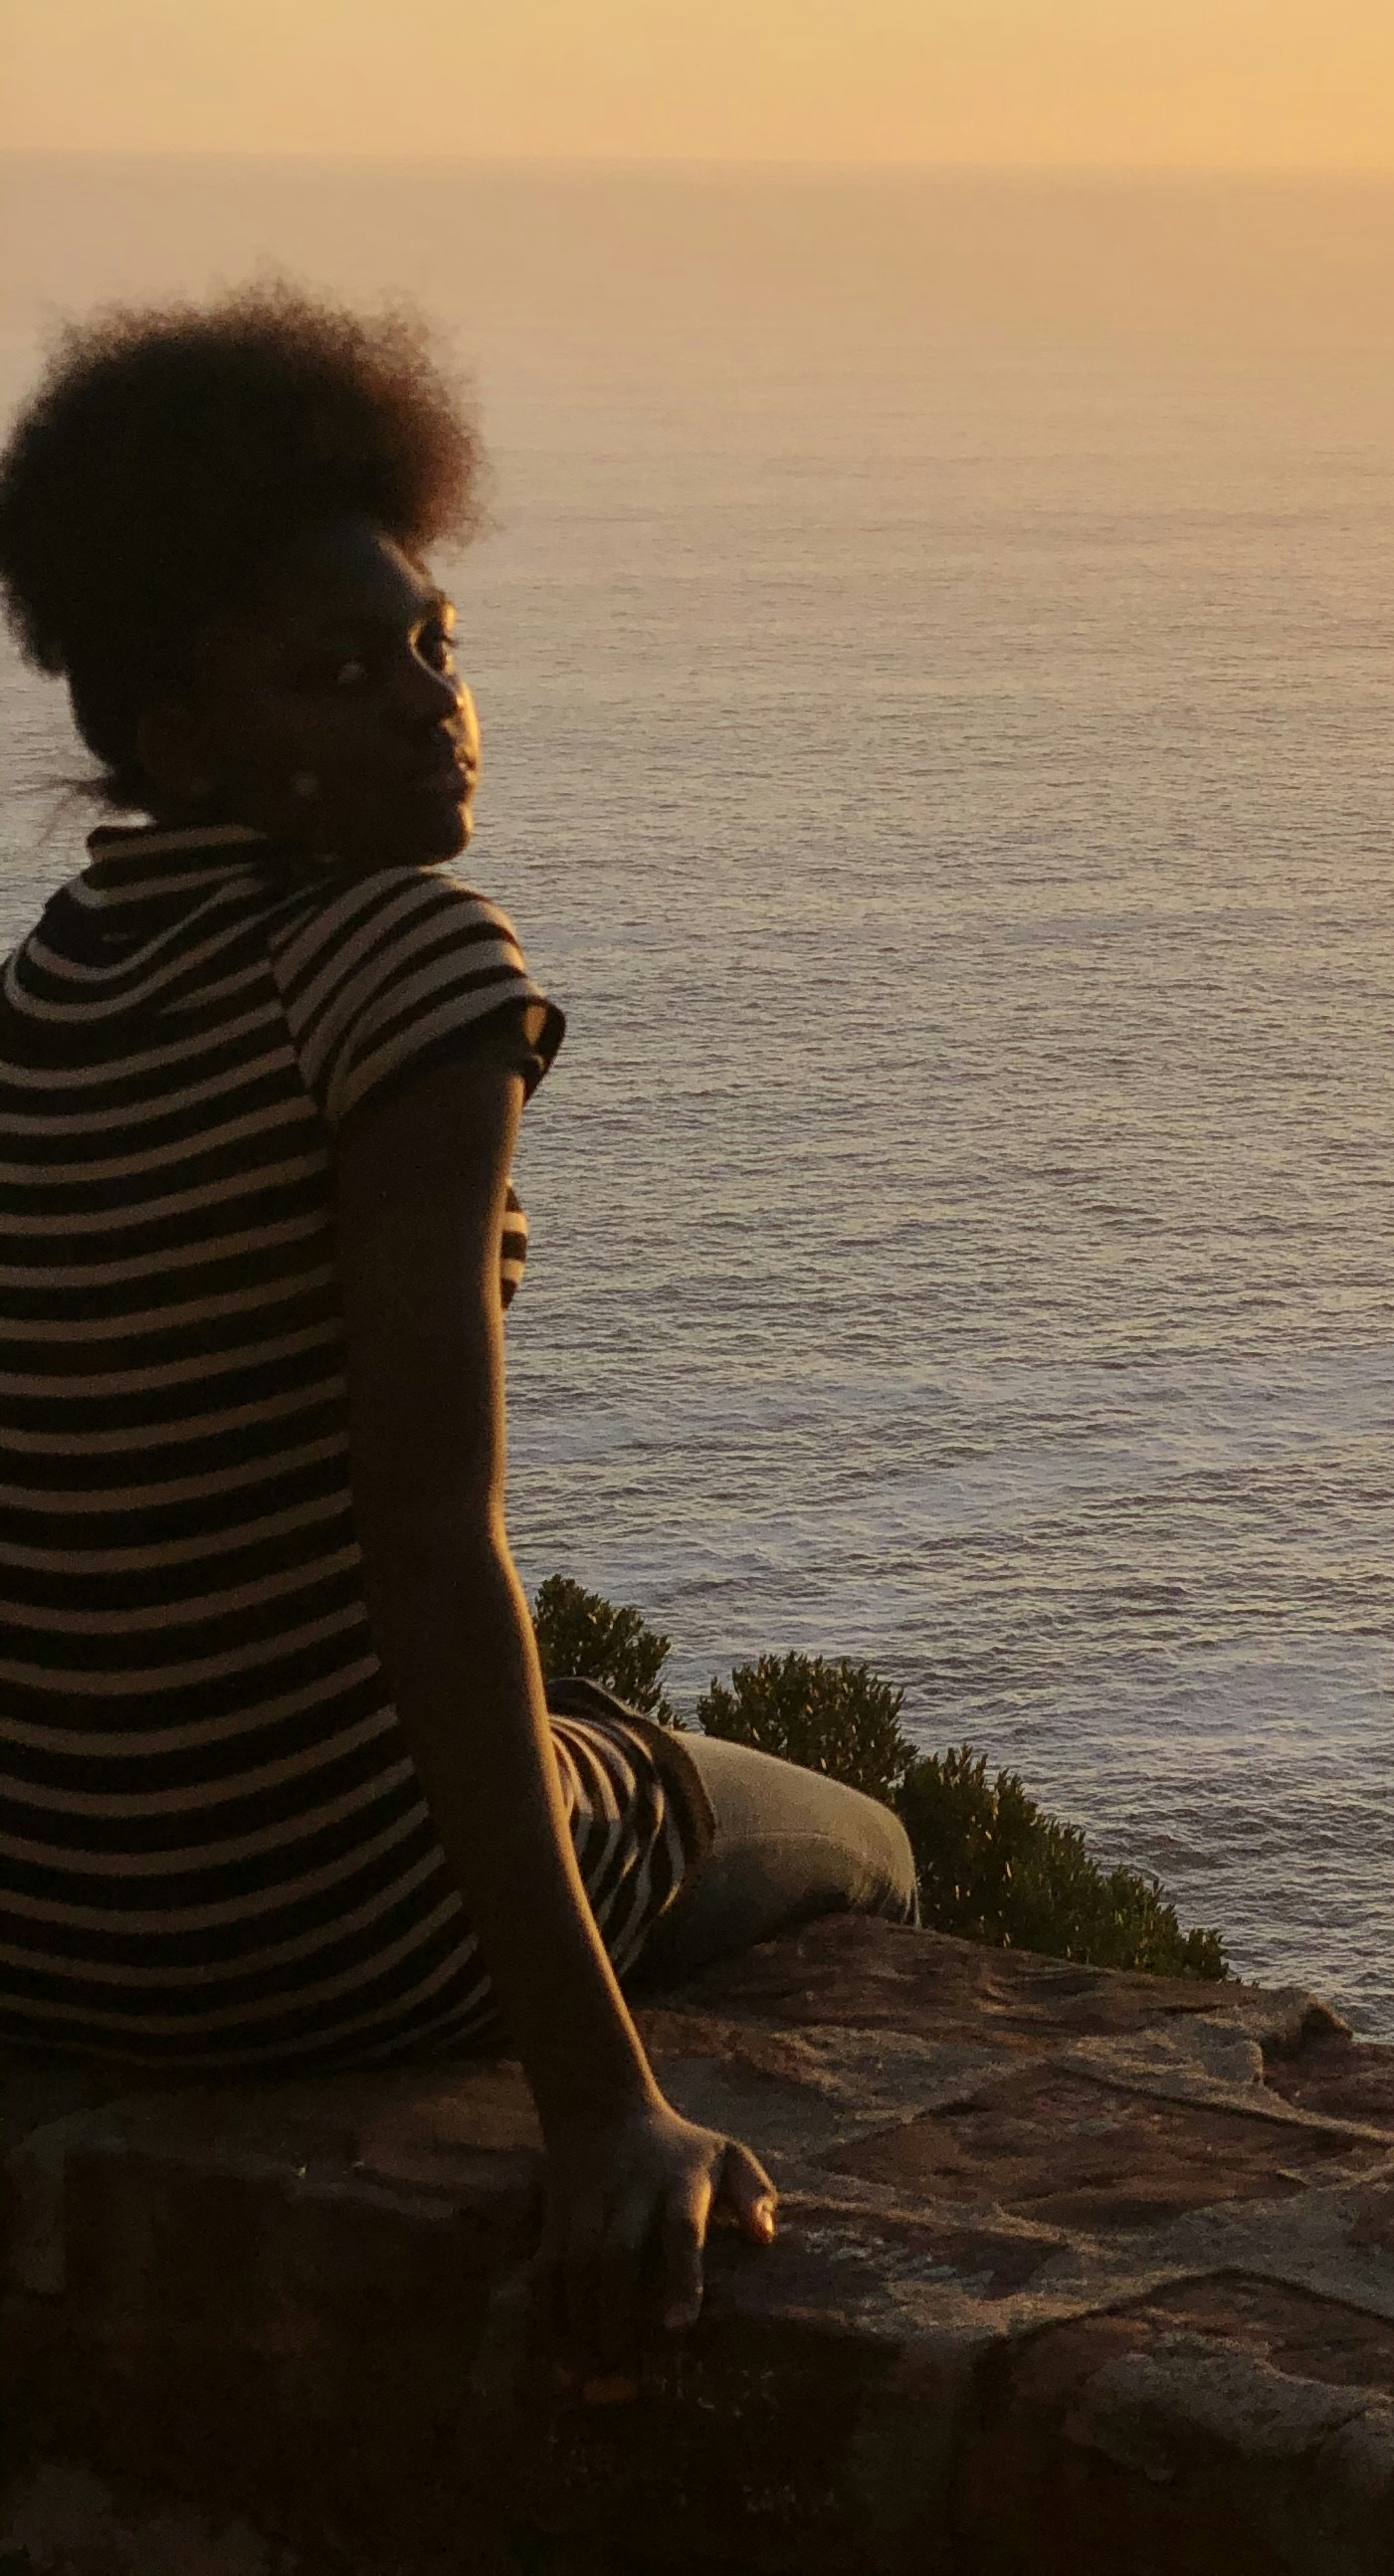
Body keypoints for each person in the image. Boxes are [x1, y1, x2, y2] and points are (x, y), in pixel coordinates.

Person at [0, 289, 916, 2356]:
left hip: (42, 1930)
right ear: (185, 742)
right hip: (308, 1933)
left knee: (582, 1710)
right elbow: (428, 1543)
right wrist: (602, 2111)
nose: (428, 707)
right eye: (340, 675)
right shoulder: (406, 966)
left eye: (433, 645)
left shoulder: (49, 985)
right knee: (858, 1843)